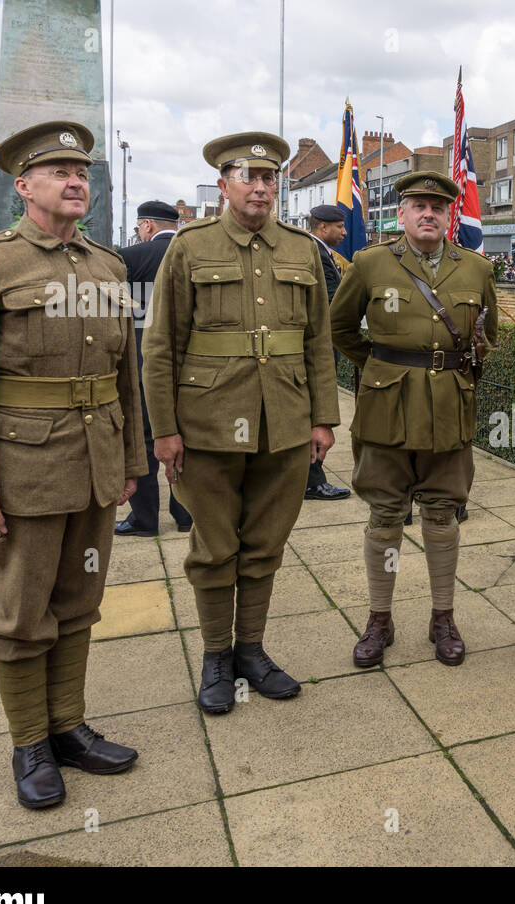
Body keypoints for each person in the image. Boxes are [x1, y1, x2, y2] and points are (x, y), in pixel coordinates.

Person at [0, 121, 146, 809]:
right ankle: (29, 742)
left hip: (95, 460)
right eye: (57, 169)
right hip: (25, 466)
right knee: (22, 611)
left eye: (80, 169)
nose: (74, 179)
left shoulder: (109, 266)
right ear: (23, 187)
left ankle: (68, 728)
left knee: (79, 603)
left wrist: (131, 461)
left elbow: (127, 376)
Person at [142, 132, 340, 715]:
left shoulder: (302, 250)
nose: (260, 187)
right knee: (213, 546)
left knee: (264, 544)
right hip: (206, 424)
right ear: (224, 184)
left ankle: (251, 650)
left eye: (269, 177)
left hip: (284, 421)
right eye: (247, 177)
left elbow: (319, 342)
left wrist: (323, 419)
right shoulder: (189, 247)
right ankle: (216, 657)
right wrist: (164, 429)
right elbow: (161, 346)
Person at [331, 170, 498, 669]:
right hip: (386, 410)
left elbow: (485, 333)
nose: (429, 214)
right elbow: (340, 327)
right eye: (418, 206)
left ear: (449, 216)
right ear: (401, 214)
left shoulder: (475, 269)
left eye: (438, 207)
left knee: (443, 515)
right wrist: (380, 367)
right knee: (384, 516)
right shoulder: (370, 263)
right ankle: (379, 619)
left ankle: (442, 616)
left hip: (450, 408)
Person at [115, 200, 193, 536]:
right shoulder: (195, 254)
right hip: (192, 360)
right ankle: (186, 513)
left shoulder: (130, 257)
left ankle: (145, 519)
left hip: (143, 359)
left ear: (146, 225)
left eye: (138, 227)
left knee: (147, 436)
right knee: (186, 434)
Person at [303, 203, 352, 502]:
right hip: (318, 347)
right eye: (340, 227)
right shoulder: (314, 254)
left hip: (320, 346)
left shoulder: (321, 252)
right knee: (317, 414)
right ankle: (312, 481)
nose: (345, 232)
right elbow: (331, 303)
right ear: (323, 227)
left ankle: (310, 477)